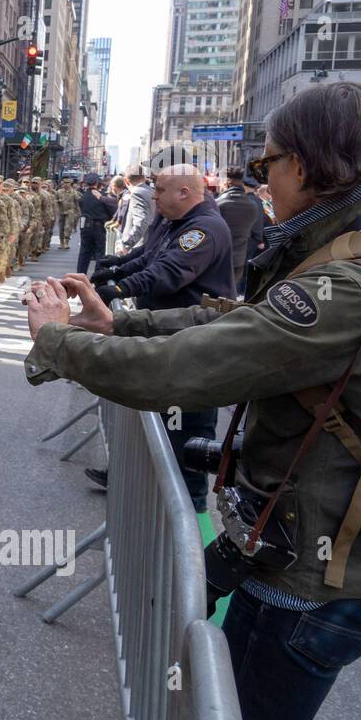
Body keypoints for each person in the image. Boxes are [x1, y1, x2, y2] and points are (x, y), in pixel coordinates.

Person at [23, 81, 361, 720]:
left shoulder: (347, 283)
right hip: (297, 546)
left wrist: (57, 341)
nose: (260, 180)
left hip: (314, 572)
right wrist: (118, 326)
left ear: (304, 163)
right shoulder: (337, 250)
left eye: (266, 163)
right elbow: (239, 320)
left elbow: (188, 367)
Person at [90, 164, 237, 511]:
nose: (153, 197)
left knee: (188, 441)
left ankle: (193, 540)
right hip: (168, 339)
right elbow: (149, 254)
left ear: (184, 193)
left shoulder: (203, 230)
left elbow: (167, 272)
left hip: (193, 349)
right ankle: (137, 486)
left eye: (160, 191)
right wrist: (116, 270)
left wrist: (119, 289)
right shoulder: (175, 222)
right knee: (156, 423)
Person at [216, 165, 265, 295]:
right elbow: (257, 231)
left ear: (228, 182)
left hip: (218, 258)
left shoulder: (218, 204)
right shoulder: (252, 205)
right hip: (239, 257)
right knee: (231, 292)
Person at [76, 173, 117, 274]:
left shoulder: (83, 197)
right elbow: (112, 210)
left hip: (85, 226)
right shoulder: (102, 196)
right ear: (97, 183)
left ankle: (81, 274)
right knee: (100, 252)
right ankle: (97, 276)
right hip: (99, 227)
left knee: (84, 252)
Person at [117, 165, 154, 256]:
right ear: (144, 178)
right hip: (149, 245)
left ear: (125, 180)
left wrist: (125, 244)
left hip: (137, 248)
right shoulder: (151, 191)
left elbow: (141, 222)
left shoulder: (137, 193)